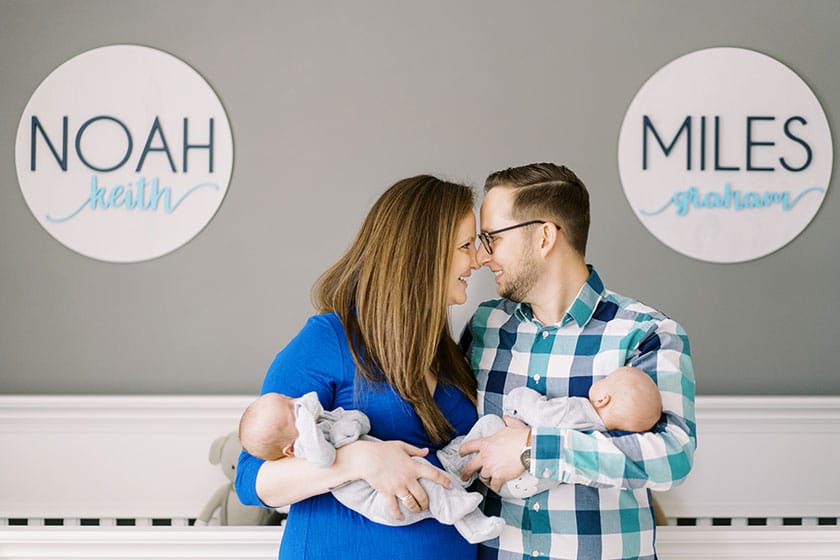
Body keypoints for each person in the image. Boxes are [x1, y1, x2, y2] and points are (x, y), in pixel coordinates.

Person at [235, 175, 485, 559]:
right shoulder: (328, 340)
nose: (478, 260)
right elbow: (252, 479)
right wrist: (358, 459)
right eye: (466, 246)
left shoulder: (446, 352)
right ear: (424, 253)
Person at [458, 163, 696, 560]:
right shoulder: (485, 326)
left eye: (492, 238)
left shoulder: (645, 332)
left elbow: (673, 456)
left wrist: (534, 448)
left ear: (544, 236)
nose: (482, 257)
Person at [238, 391, 504, 543]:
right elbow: (249, 480)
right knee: (433, 490)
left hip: (421, 465)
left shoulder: (325, 421)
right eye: (289, 409)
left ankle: (471, 460)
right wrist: (362, 457)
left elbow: (359, 422)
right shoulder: (306, 446)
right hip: (383, 499)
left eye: (288, 398)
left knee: (455, 453)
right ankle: (470, 521)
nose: (296, 401)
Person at [439, 366, 663, 499]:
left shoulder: (580, 410)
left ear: (603, 399)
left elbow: (541, 414)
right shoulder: (597, 434)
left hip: (511, 474)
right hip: (528, 485)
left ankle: (454, 470)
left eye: (605, 380)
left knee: (489, 425)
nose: (599, 380)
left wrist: (518, 396)